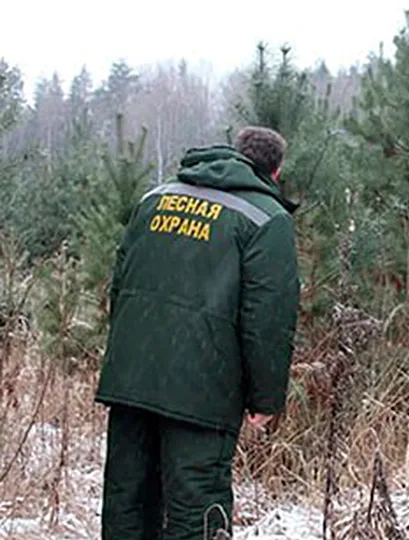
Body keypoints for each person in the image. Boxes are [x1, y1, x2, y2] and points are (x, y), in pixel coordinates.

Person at [95, 126, 300, 539]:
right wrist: (265, 398)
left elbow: (120, 286)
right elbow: (267, 320)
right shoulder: (266, 218)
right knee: (197, 507)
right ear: (275, 173)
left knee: (127, 501)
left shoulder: (155, 199)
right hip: (203, 393)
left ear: (237, 153)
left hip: (131, 378)